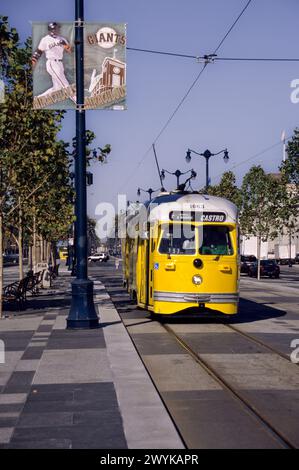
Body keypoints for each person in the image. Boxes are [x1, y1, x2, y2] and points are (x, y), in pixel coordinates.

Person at [32, 22, 76, 103]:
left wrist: (66, 45)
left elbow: (70, 50)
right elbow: (38, 52)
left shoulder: (62, 39)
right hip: (52, 63)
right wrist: (33, 62)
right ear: (51, 30)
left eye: (58, 28)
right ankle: (78, 101)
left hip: (60, 63)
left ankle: (38, 99)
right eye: (55, 28)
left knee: (57, 88)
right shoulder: (45, 39)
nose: (57, 30)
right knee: (65, 84)